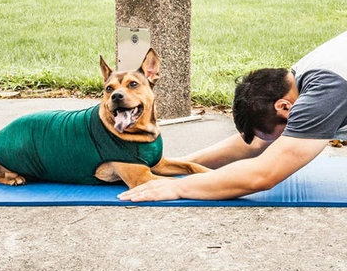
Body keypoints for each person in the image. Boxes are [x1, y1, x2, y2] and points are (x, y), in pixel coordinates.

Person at [118, 30, 347, 203]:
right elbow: (255, 144)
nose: (279, 140)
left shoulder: (324, 93)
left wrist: (179, 188)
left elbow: (264, 174)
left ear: (284, 107)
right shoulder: (297, 78)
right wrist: (179, 165)